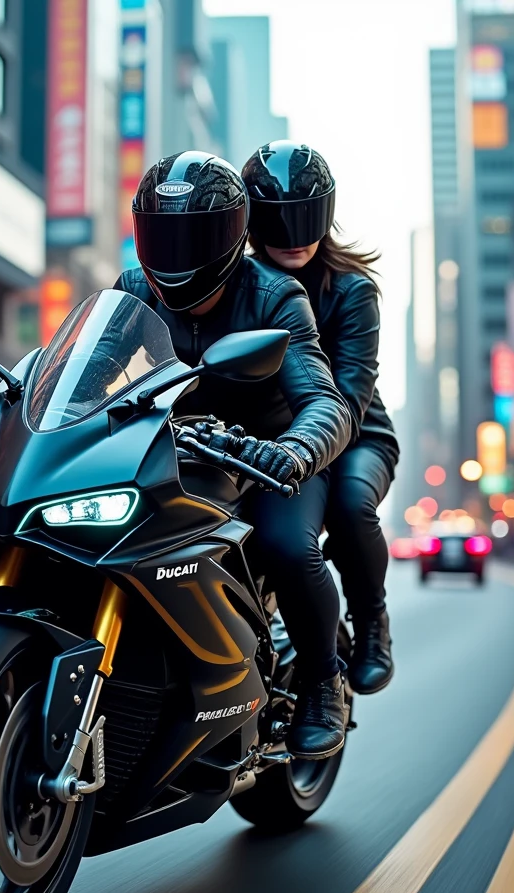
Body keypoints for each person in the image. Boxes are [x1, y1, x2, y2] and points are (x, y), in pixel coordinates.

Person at [116, 150, 353, 759]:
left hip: (265, 462)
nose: (178, 254)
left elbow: (326, 402)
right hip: (175, 450)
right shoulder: (134, 288)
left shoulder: (276, 295)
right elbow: (85, 367)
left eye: (196, 236)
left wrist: (294, 451)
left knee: (287, 545)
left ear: (235, 235)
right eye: (164, 236)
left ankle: (325, 680)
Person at [241, 140, 400, 696]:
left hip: (353, 431)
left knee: (350, 505)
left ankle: (372, 621)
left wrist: (303, 448)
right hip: (267, 434)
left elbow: (350, 399)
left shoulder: (353, 290)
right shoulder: (236, 285)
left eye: (307, 219)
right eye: (279, 223)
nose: (296, 238)